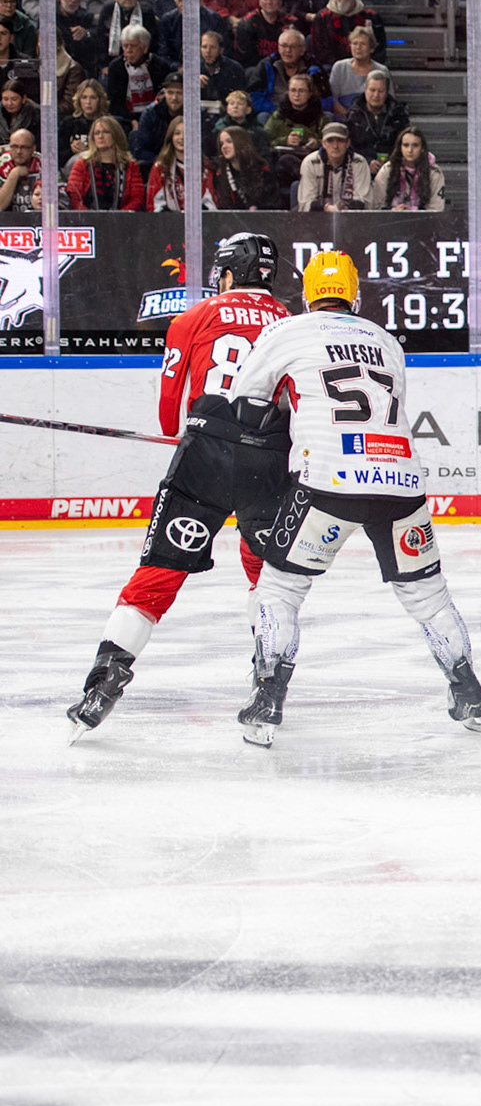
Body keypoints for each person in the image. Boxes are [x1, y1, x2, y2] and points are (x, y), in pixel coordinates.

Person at [228, 251, 481, 747]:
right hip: (400, 483)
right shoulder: (386, 341)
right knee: (429, 596)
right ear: (354, 295)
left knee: (280, 590)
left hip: (327, 479)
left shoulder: (287, 331)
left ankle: (267, 700)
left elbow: (246, 403)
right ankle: (469, 693)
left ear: (307, 295)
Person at [67, 235, 293, 737]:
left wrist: (191, 429)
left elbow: (169, 414)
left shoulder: (193, 317)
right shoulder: (290, 323)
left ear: (229, 273)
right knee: (268, 580)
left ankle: (103, 686)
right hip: (270, 460)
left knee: (159, 573)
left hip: (205, 457)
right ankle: (267, 689)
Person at [66, 114, 145, 209]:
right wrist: (89, 216)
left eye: (106, 132)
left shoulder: (130, 166)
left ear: (116, 135)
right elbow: (74, 198)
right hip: (87, 216)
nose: (100, 136)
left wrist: (119, 216)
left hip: (122, 217)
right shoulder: (82, 164)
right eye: (97, 133)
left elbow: (137, 198)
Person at [295, 119, 369, 211]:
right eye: (330, 141)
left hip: (351, 216)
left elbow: (364, 201)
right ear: (323, 143)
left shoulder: (359, 163)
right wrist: (327, 208)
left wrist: (345, 209)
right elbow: (306, 203)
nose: (335, 146)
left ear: (348, 143)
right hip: (317, 216)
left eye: (340, 141)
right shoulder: (310, 162)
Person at [371, 125, 444, 211]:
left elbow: (436, 209)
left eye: (415, 145)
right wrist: (394, 211)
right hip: (390, 218)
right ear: (400, 148)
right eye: (406, 145)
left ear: (422, 148)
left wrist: (412, 211)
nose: (410, 150)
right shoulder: (387, 169)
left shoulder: (434, 172)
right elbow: (376, 207)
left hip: (424, 219)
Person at [342, 70, 407, 162]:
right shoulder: (353, 114)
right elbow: (348, 146)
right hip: (360, 164)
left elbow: (405, 144)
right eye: (372, 90)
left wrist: (390, 162)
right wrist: (367, 161)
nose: (376, 95)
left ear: (387, 92)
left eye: (381, 91)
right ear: (365, 90)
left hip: (393, 164)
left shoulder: (399, 114)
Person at [210, 123, 275, 207]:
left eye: (229, 141)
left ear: (241, 142)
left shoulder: (262, 171)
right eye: (221, 143)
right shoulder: (220, 174)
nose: (224, 147)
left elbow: (272, 204)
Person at [325, 27, 383, 105]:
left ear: (371, 48)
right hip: (344, 111)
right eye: (355, 43)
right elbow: (333, 100)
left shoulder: (381, 70)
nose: (358, 47)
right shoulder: (339, 67)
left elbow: (389, 101)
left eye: (363, 44)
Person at [0, 127, 45, 212]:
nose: (18, 152)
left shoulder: (44, 163)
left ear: (33, 148)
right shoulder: (2, 164)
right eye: (14, 146)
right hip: (8, 218)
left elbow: (62, 201)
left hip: (38, 217)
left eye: (24, 147)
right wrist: (14, 174)